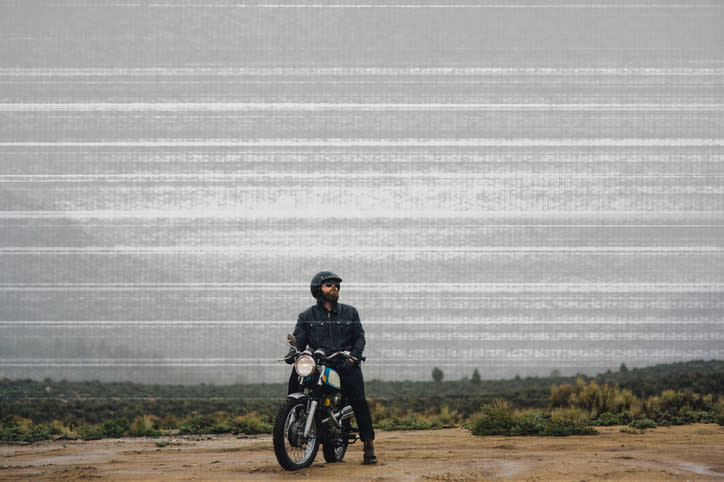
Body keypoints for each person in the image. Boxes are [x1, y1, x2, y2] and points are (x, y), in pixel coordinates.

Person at [286, 271, 377, 465]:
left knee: (359, 400)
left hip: (344, 362)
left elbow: (359, 337)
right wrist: (293, 352)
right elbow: (299, 338)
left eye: (336, 284)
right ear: (318, 289)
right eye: (329, 284)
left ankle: (368, 444)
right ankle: (295, 413)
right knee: (296, 371)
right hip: (320, 364)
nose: (334, 287)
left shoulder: (350, 312)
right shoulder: (306, 316)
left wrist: (354, 357)